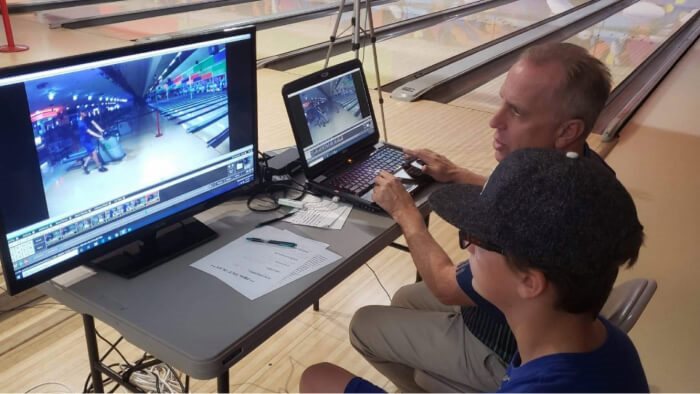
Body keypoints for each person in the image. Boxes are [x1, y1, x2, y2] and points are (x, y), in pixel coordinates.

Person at [328, 41, 617, 392]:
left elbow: (446, 287)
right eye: (501, 102)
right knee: (405, 298)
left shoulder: (537, 215)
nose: (494, 121)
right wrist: (456, 174)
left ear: (567, 131)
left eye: (517, 112)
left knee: (364, 323)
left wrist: (406, 213)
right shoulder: (589, 174)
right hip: (541, 319)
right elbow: (524, 198)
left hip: (506, 343)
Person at [300, 148, 648, 393]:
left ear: (529, 281)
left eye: (477, 238)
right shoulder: (610, 346)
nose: (467, 247)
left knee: (318, 377)